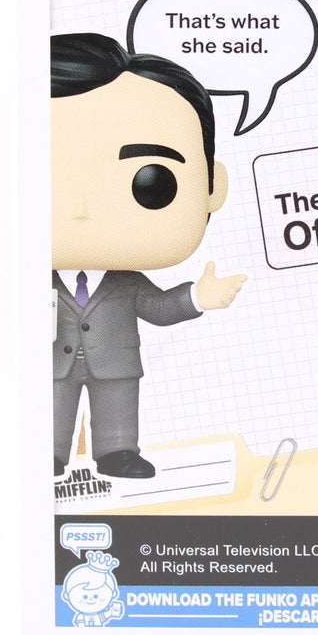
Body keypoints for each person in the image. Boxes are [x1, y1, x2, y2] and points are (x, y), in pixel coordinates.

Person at [51, 33, 246, 479]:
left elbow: (157, 308)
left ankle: (117, 452)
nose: (81, 208)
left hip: (117, 364)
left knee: (118, 406)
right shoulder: (28, 280)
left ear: (211, 187)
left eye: (152, 182)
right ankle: (50, 453)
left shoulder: (127, 281)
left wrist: (197, 297)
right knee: (52, 409)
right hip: (53, 367)